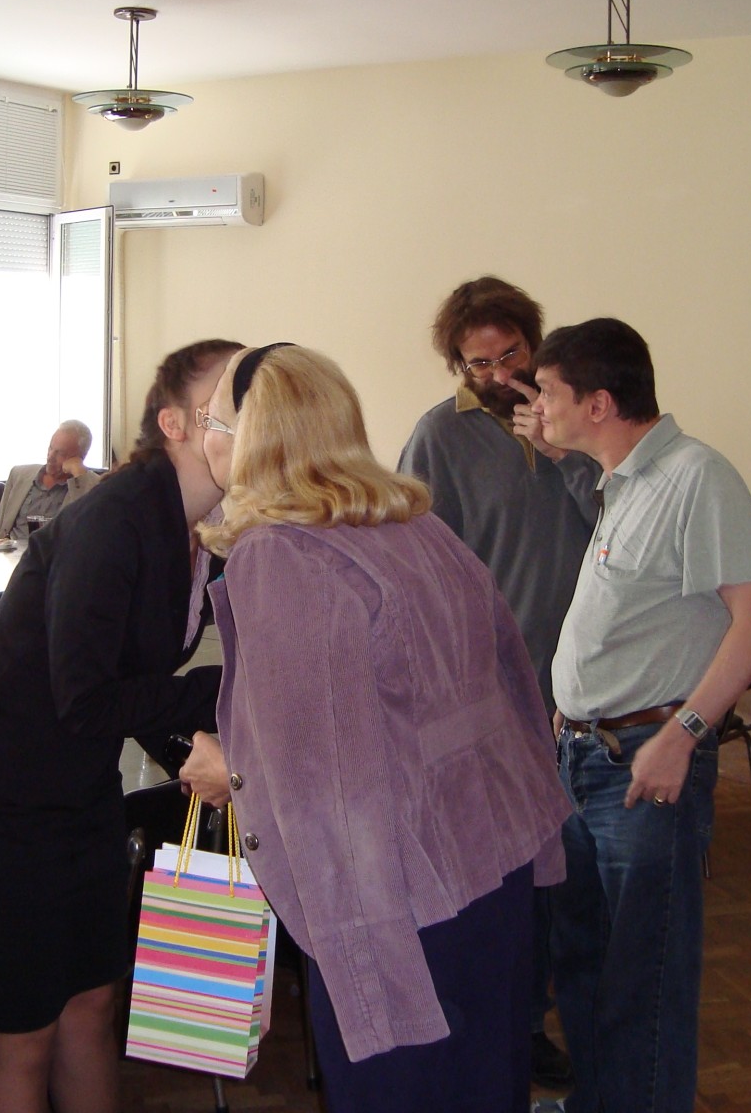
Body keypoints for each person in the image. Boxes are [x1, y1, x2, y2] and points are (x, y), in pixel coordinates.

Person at [179, 344, 569, 1112]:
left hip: (398, 894)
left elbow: (325, 785)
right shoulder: (413, 522)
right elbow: (511, 686)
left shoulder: (284, 554)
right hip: (494, 862)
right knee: (486, 1087)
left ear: (252, 436)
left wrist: (237, 773)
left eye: (213, 420)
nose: (205, 438)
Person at [0, 338, 242, 1113]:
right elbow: (88, 697)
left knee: (93, 1006)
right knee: (21, 1036)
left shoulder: (197, 528)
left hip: (77, 789)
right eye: (231, 401)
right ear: (175, 424)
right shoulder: (114, 518)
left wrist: (186, 746)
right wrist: (215, 700)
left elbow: (130, 677)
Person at [530, 318, 751, 1113]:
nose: (538, 405)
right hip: (582, 756)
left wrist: (685, 734)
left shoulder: (695, 476)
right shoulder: (622, 477)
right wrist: (567, 716)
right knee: (582, 963)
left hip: (643, 763)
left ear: (598, 403)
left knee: (645, 980)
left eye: (548, 391)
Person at [396, 276, 599, 1087]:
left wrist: (563, 455)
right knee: (521, 865)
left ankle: (578, 1007)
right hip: (495, 690)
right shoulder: (438, 436)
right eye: (476, 363)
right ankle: (522, 1021)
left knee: (577, 867)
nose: (495, 374)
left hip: (585, 681)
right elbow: (418, 565)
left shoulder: (576, 421)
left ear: (534, 344)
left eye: (509, 355)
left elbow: (615, 521)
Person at [0, 420, 104, 540]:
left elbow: (86, 532)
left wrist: (79, 475)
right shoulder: (19, 475)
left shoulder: (95, 486)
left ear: (80, 457)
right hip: (14, 550)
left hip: (57, 551)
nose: (50, 456)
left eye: (60, 453)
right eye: (50, 448)